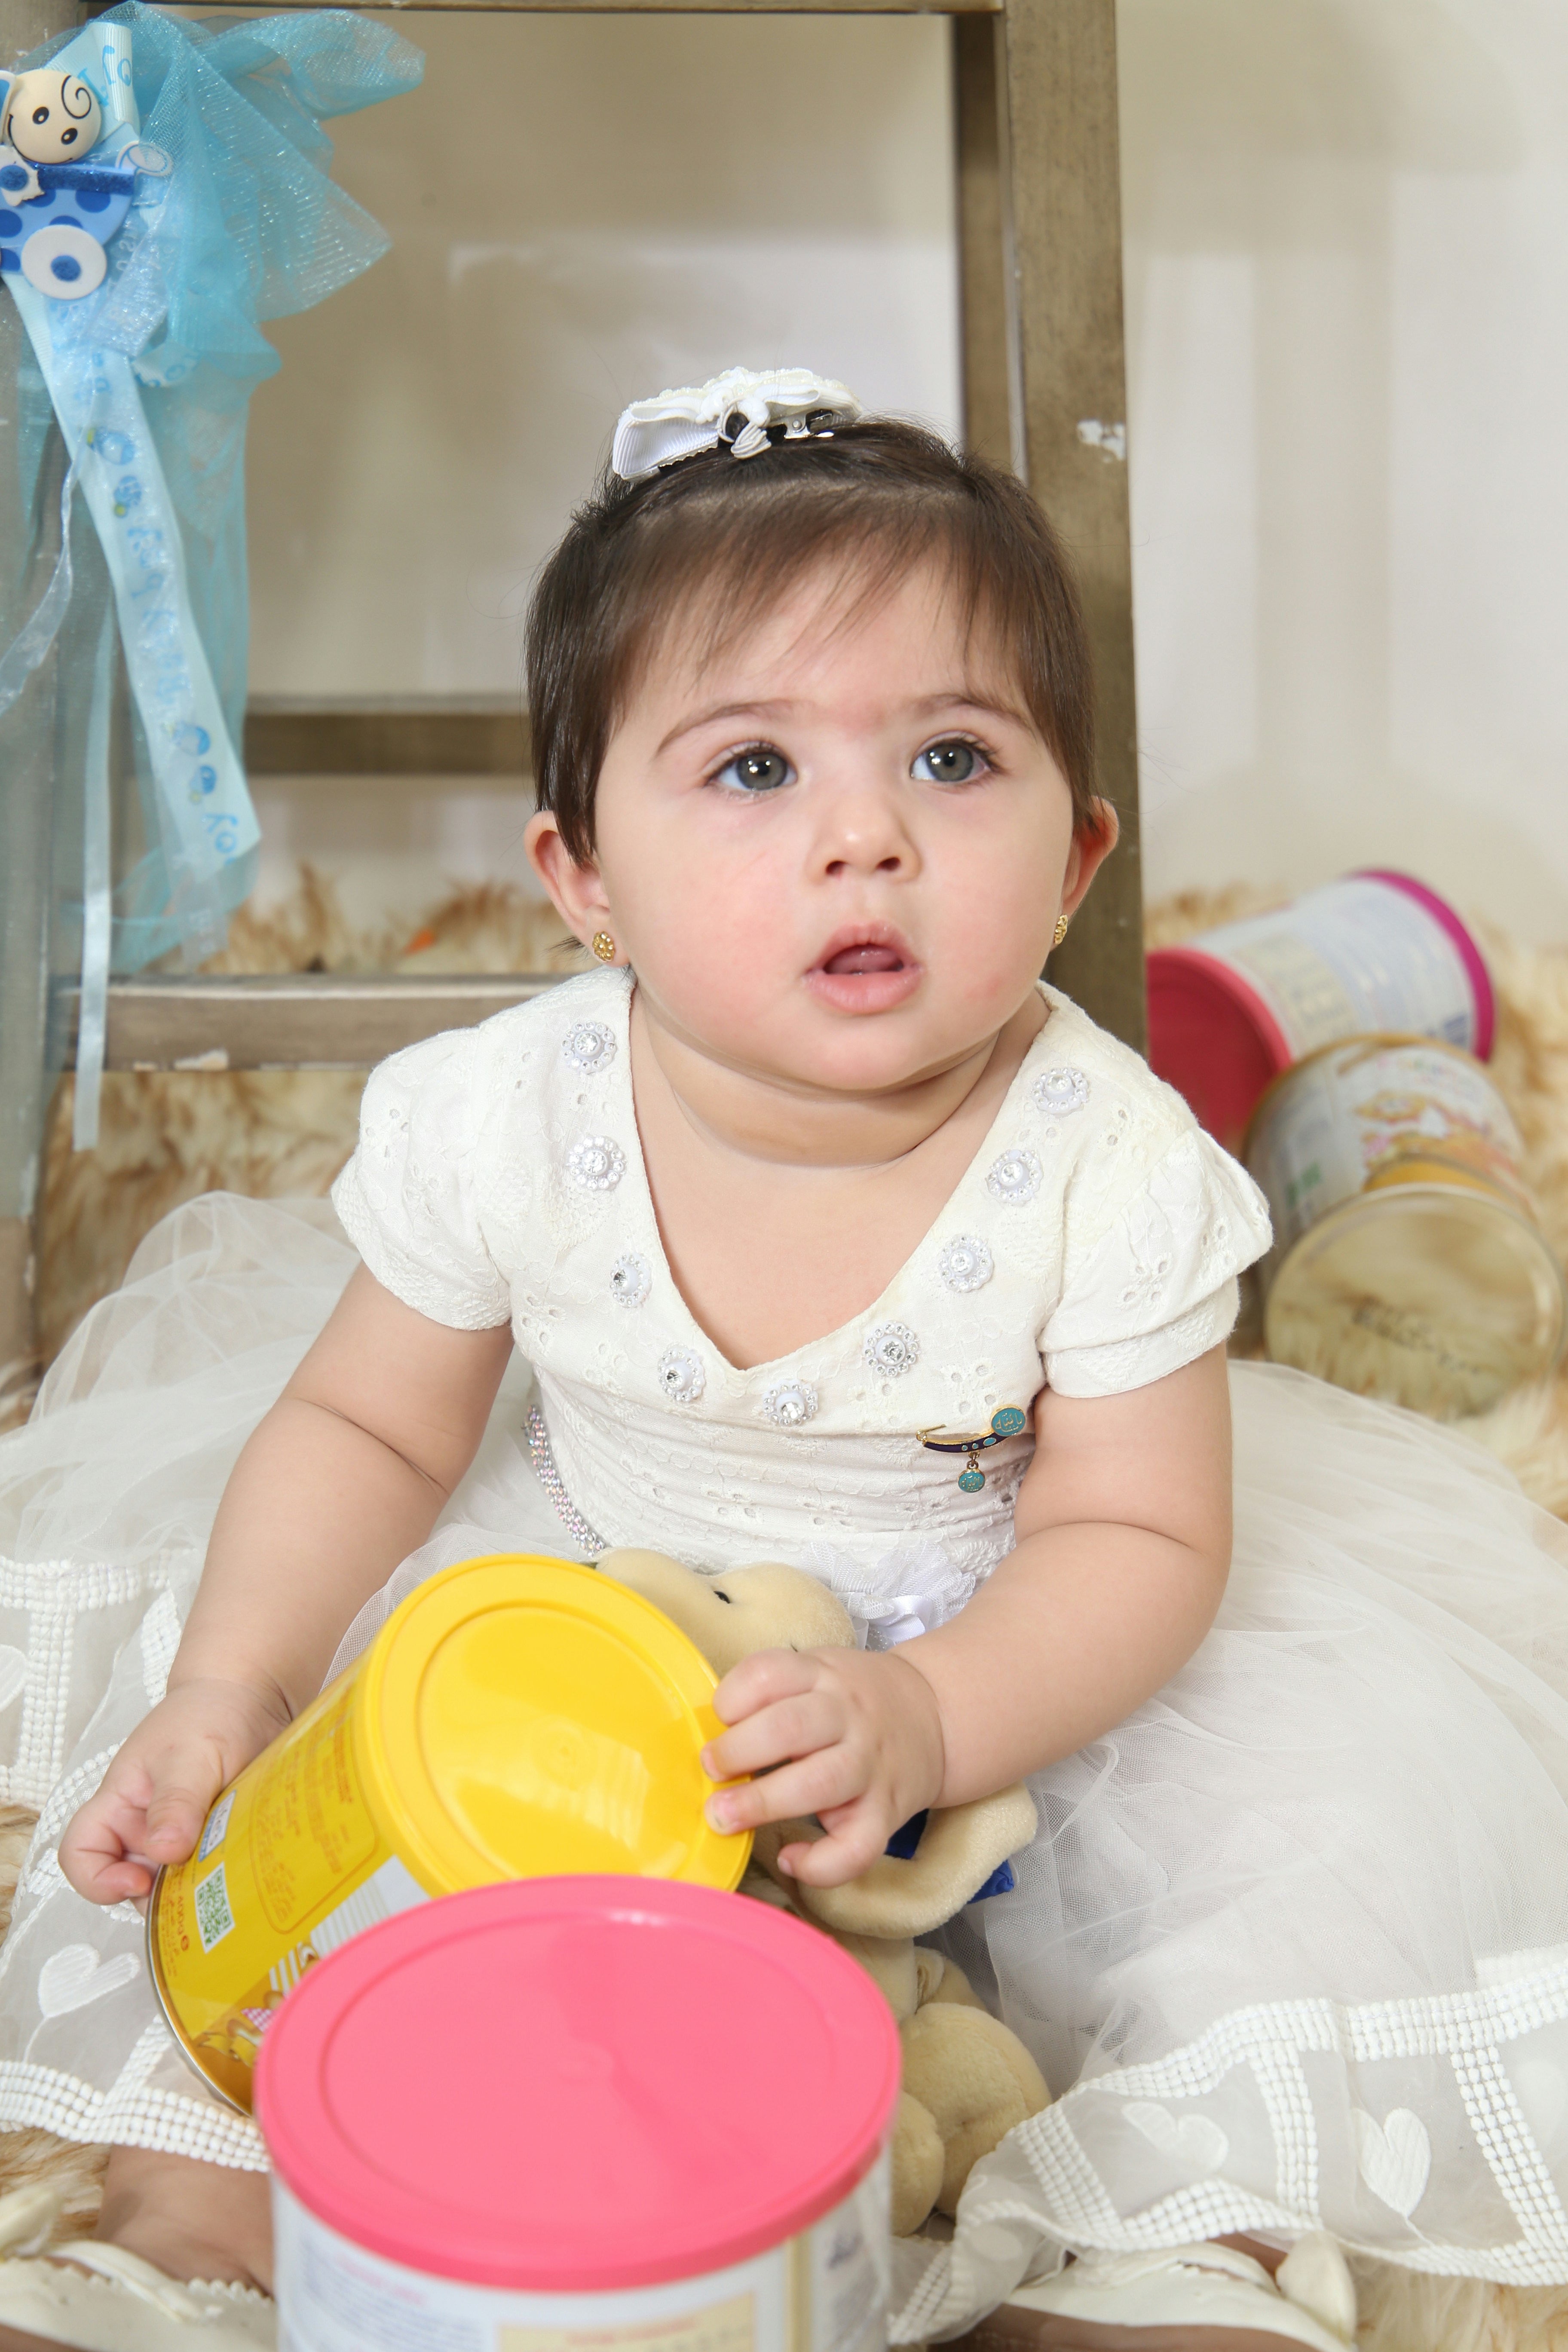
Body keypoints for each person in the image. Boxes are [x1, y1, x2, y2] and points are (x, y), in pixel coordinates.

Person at [3, 368, 1568, 2352]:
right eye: (754, 769)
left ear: (1080, 858)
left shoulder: (1107, 1164)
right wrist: (238, 1683)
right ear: (582, 878)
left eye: (952, 760)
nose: (864, 840)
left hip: (1001, 1648)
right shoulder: (508, 1114)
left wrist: (932, 1713)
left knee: (1302, 1865)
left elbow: (1141, 1535)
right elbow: (366, 1424)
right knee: (296, 1869)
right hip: (567, 1622)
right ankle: (200, 2237)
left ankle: (1182, 2253)